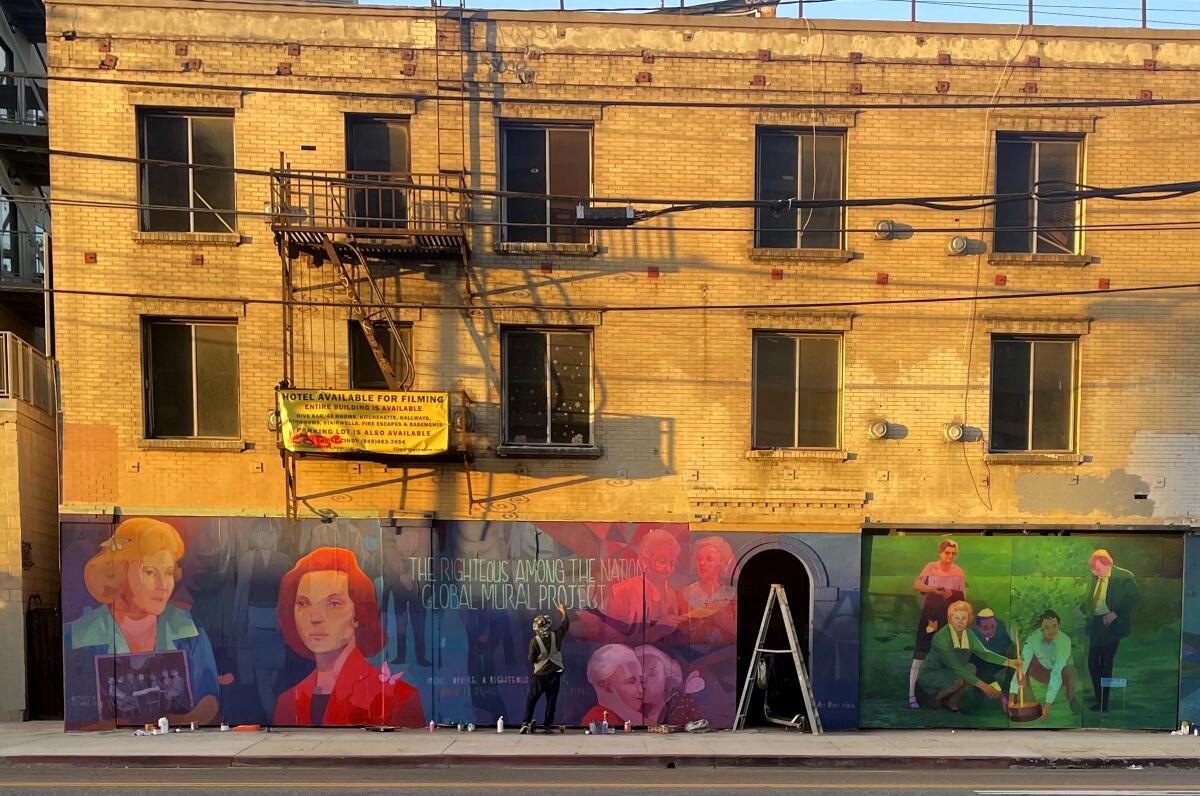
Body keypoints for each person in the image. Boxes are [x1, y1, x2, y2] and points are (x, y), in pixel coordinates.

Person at [64, 517, 221, 728]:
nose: (164, 585)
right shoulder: (78, 636)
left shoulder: (188, 628)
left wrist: (180, 723)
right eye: (150, 572)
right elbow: (78, 716)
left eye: (168, 573)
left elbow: (209, 698)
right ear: (118, 571)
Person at [273, 546, 425, 727]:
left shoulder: (397, 697)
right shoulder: (288, 701)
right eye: (303, 603)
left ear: (358, 614)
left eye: (333, 603)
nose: (314, 617)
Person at [916, 600, 1022, 713]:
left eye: (963, 618)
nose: (960, 622)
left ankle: (952, 701)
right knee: (957, 681)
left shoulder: (968, 634)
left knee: (971, 668)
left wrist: (1009, 662)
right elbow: (956, 668)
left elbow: (984, 653)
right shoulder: (941, 638)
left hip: (953, 673)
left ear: (969, 619)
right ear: (950, 618)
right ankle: (936, 701)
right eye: (957, 618)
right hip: (933, 673)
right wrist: (984, 687)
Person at [908, 540, 967, 709]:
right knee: (920, 653)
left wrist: (951, 594)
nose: (949, 556)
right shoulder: (931, 567)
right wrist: (933, 589)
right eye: (947, 553)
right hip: (930, 615)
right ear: (940, 553)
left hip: (948, 618)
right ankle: (912, 695)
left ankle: (942, 697)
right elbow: (917, 584)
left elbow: (962, 597)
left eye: (953, 553)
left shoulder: (958, 572)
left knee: (947, 655)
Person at [1080, 549, 1140, 712]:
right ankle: (1099, 696)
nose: (1095, 573)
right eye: (1093, 570)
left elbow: (1135, 598)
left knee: (1106, 663)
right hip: (1097, 623)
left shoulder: (1125, 576)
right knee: (1093, 662)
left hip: (1113, 625)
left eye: (1098, 569)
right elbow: (1092, 598)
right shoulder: (1096, 576)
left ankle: (1103, 703)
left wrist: (1115, 613)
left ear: (1107, 564)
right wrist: (1080, 610)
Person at [607, 528, 685, 642]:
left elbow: (671, 639)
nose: (668, 569)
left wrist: (688, 628)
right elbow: (612, 641)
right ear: (644, 561)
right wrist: (656, 631)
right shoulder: (623, 591)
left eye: (672, 563)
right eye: (662, 561)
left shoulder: (670, 594)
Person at [1009, 610, 1075, 722]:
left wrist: (1047, 706)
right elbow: (1022, 667)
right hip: (1041, 671)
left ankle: (1073, 700)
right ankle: (1028, 699)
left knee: (1070, 674)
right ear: (1041, 627)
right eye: (1047, 627)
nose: (1052, 630)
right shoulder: (1032, 638)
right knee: (1023, 664)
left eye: (1055, 626)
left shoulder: (1065, 641)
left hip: (1063, 673)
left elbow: (1056, 672)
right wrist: (1011, 697)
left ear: (1059, 625)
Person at [520, 603, 569, 734]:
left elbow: (531, 659)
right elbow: (565, 625)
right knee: (551, 701)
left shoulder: (534, 641)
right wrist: (564, 612)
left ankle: (526, 722)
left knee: (532, 699)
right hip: (555, 674)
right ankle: (547, 725)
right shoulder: (556, 635)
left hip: (540, 676)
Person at [681, 537, 737, 645]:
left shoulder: (731, 594)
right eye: (699, 559)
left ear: (721, 563)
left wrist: (718, 614)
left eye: (709, 559)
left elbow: (738, 630)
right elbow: (679, 633)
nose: (702, 563)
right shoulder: (687, 593)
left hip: (724, 656)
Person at [635, 644, 705, 726]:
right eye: (639, 676)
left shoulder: (680, 703)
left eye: (651, 674)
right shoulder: (635, 708)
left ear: (667, 675)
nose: (643, 682)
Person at [580, 643, 643, 726]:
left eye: (641, 681)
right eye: (631, 682)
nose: (641, 690)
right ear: (605, 686)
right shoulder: (599, 718)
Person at [971, 608, 1016, 693]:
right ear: (978, 627)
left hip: (1000, 658)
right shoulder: (973, 635)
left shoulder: (1000, 626)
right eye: (985, 628)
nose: (990, 631)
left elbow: (1008, 644)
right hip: (981, 663)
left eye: (992, 627)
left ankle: (1007, 692)